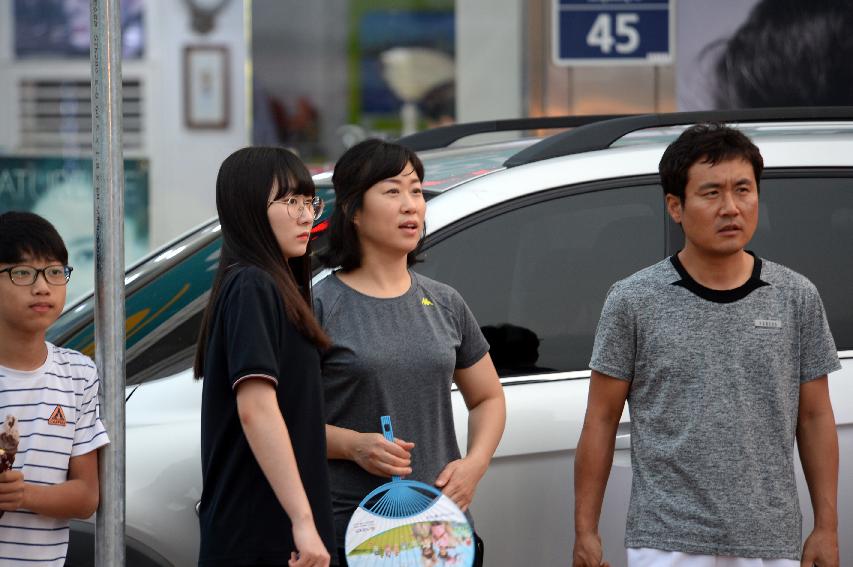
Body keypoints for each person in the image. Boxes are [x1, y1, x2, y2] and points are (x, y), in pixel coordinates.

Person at [573, 124, 841, 567]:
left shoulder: (796, 295)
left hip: (771, 543)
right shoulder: (633, 299)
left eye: (743, 190)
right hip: (666, 541)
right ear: (675, 207)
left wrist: (826, 527)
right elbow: (600, 419)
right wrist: (585, 531)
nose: (731, 208)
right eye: (711, 193)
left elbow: (814, 417)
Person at [314, 139, 506, 567]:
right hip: (354, 531)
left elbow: (488, 398)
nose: (410, 205)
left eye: (416, 190)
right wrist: (352, 445)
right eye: (392, 191)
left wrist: (474, 464)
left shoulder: (445, 302)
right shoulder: (319, 306)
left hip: (440, 530)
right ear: (353, 211)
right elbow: (285, 422)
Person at [194, 147, 336, 566]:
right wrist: (303, 520)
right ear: (247, 209)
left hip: (269, 530)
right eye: (289, 201)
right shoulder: (253, 285)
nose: (306, 215)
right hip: (262, 533)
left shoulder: (268, 286)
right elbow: (256, 408)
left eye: (309, 201)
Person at [0, 211, 109, 566]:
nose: (42, 286)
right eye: (22, 272)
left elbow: (86, 496)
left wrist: (22, 495)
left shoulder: (78, 374)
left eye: (54, 271)